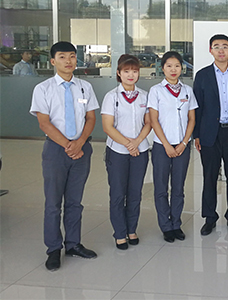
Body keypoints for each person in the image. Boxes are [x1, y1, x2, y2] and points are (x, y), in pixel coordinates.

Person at [29, 41, 99, 271]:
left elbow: (91, 118)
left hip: (82, 149)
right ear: (52, 61)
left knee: (74, 201)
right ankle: (53, 249)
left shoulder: (85, 87)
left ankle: (73, 244)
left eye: (72, 56)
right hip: (56, 151)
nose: (68, 61)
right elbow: (44, 123)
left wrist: (79, 143)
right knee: (53, 203)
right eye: (62, 57)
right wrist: (69, 145)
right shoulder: (43, 89)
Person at [194, 34, 228, 236]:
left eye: (225, 46)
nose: (221, 50)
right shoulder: (202, 75)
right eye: (216, 46)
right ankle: (210, 218)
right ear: (210, 50)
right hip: (210, 134)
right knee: (209, 177)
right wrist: (196, 135)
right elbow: (197, 108)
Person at [101, 54, 152, 250]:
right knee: (117, 193)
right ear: (118, 73)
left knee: (135, 193)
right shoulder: (111, 97)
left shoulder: (145, 96)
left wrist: (137, 142)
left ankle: (132, 229)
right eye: (126, 71)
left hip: (140, 151)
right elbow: (107, 126)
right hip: (117, 152)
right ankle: (120, 233)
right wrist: (128, 144)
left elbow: (148, 123)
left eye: (135, 71)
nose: (131, 75)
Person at [148, 51, 198, 243]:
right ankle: (165, 226)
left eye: (177, 65)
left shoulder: (187, 91)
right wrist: (167, 145)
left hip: (182, 146)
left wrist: (184, 142)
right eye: (169, 66)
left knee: (178, 187)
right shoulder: (156, 91)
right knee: (161, 188)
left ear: (182, 68)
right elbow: (153, 120)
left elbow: (192, 119)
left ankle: (176, 224)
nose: (173, 69)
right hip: (162, 146)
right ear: (163, 68)